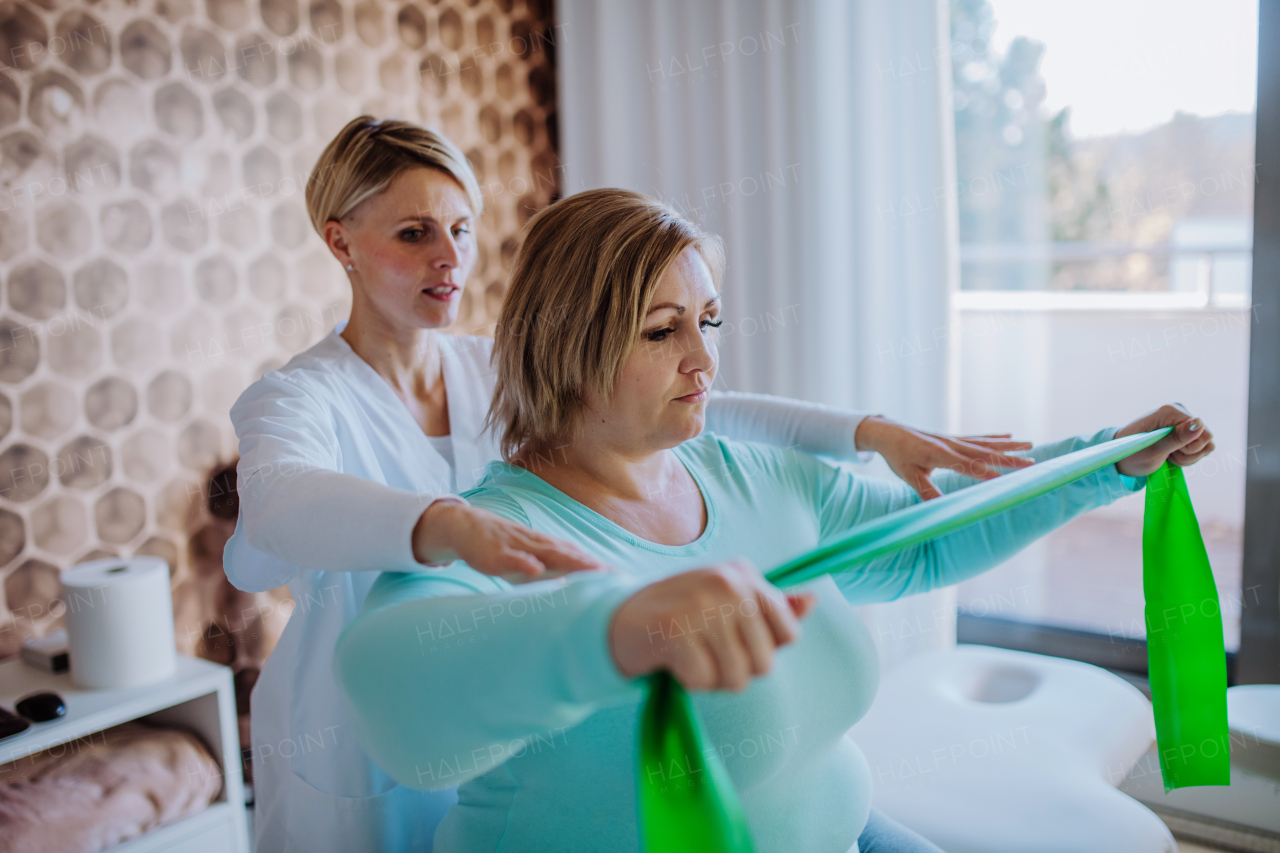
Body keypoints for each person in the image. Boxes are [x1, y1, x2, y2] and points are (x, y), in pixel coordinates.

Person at [223, 118, 1034, 852]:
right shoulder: (296, 398)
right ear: (341, 242)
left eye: (462, 229)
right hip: (379, 706)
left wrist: (864, 432)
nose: (450, 257)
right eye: (414, 231)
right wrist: (450, 526)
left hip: (518, 699)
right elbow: (279, 501)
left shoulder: (482, 364)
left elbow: (682, 394)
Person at [332, 189, 1215, 853]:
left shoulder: (747, 473)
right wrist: (614, 630)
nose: (705, 359)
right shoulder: (497, 534)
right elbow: (399, 701)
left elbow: (924, 541)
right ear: (568, 346)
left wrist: (1104, 460)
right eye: (662, 330)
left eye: (709, 321)